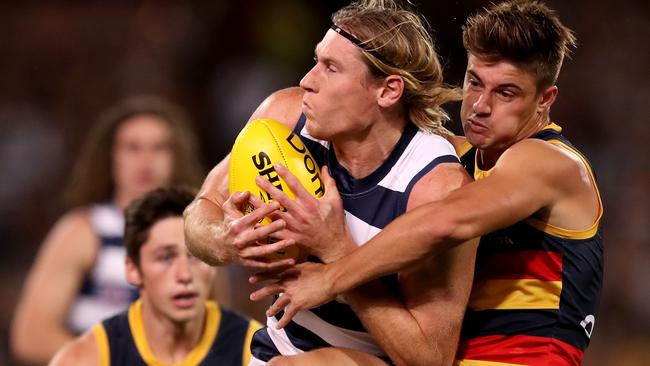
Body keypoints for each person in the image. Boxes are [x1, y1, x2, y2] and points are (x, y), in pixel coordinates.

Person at [252, 1, 604, 365]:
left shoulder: (551, 162)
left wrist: (331, 275)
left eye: (505, 93)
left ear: (545, 99)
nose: (480, 105)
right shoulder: (453, 158)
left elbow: (445, 223)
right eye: (474, 82)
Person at [184, 1, 479, 364]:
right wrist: (227, 237)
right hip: (279, 350)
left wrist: (337, 252)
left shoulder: (433, 187)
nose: (307, 81)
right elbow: (202, 209)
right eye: (315, 60)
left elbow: (429, 357)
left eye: (331, 68)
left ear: (388, 91)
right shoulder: (285, 117)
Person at [11, 96, 205, 364]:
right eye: (132, 147)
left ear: (176, 157)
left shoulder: (196, 236)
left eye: (159, 147)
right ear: (111, 157)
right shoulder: (83, 230)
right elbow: (32, 336)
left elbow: (216, 328)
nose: (146, 160)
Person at [48, 186, 262, 365]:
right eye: (165, 258)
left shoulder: (256, 353)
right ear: (133, 270)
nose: (184, 275)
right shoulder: (86, 360)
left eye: (195, 257)